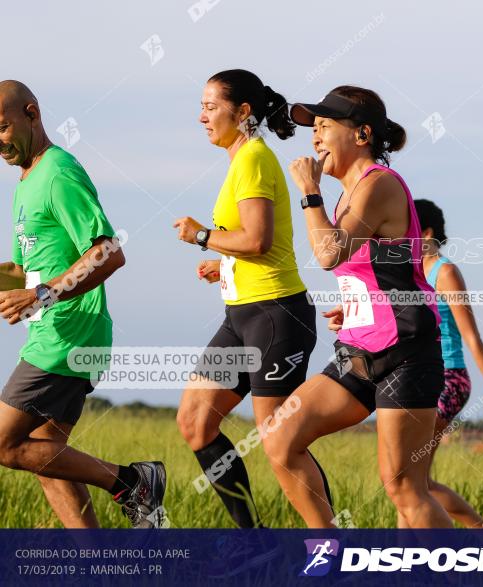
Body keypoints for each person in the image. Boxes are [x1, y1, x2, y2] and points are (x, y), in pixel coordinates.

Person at [270, 85, 453, 528]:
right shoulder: (348, 195)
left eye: (325, 127)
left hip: (407, 352)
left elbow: (330, 252)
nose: (314, 137)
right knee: (280, 437)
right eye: (313, 129)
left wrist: (309, 193)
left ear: (362, 134)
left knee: (404, 488)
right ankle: (329, 547)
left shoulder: (380, 185)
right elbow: (372, 271)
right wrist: (354, 308)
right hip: (360, 350)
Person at [0, 80, 165, 528]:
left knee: (4, 445)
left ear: (31, 113)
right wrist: (27, 288)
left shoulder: (57, 172)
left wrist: (43, 294)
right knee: (48, 461)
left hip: (68, 332)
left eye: (2, 127)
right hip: (54, 330)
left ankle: (132, 482)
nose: (0, 142)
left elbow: (109, 251)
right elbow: (22, 270)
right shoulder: (26, 182)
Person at [173, 69, 322, 529]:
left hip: (276, 315)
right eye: (201, 107)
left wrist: (201, 235)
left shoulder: (254, 157)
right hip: (241, 315)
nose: (201, 117)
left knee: (279, 442)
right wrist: (223, 263)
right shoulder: (240, 160)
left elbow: (256, 239)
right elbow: (256, 244)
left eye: (211, 107)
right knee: (196, 423)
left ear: (242, 113)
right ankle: (253, 542)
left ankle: (331, 544)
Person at [413, 198, 483, 528]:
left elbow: (471, 336)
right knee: (411, 483)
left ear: (428, 232)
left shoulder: (444, 272)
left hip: (449, 378)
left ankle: (482, 534)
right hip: (420, 376)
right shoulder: (411, 272)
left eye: (410, 228)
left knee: (411, 482)